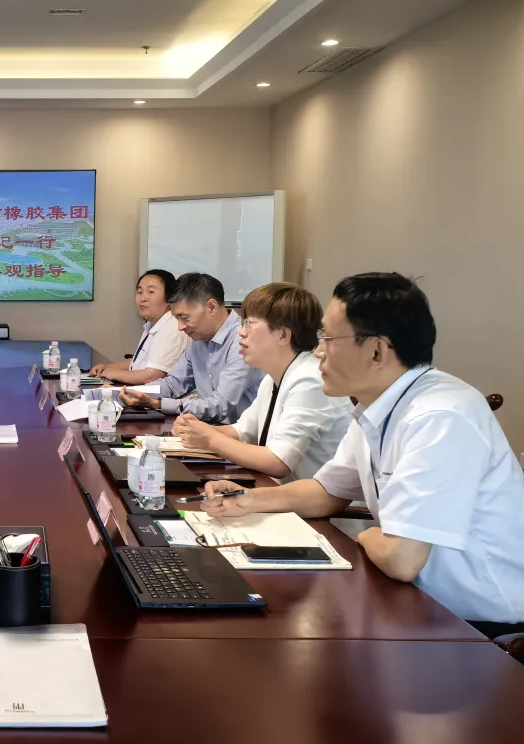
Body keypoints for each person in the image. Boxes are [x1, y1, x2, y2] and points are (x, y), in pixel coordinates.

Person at [201, 273, 524, 634]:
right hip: (412, 603)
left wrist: (368, 535)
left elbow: (402, 559)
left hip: (478, 626)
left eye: (328, 338)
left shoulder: (440, 414)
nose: (318, 351)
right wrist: (249, 500)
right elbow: (327, 492)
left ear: (377, 351)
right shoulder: (376, 405)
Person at [171, 283, 351, 482]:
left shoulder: (309, 379)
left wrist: (209, 438)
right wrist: (196, 430)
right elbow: (243, 431)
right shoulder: (273, 377)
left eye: (249, 323)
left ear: (283, 335)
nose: (241, 332)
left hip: (309, 500)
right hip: (282, 492)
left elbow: (278, 461)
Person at [119, 272, 261, 424]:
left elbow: (220, 406)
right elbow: (173, 384)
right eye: (177, 319)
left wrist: (159, 404)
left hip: (239, 435)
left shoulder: (242, 339)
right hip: (208, 429)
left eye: (185, 318)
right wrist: (132, 393)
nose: (180, 327)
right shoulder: (199, 339)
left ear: (211, 307)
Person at [88, 269, 189, 384]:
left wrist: (113, 373)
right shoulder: (153, 324)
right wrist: (107, 368)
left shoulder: (173, 327)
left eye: (151, 292)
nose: (142, 298)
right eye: (140, 292)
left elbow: (152, 376)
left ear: (169, 298)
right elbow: (139, 362)